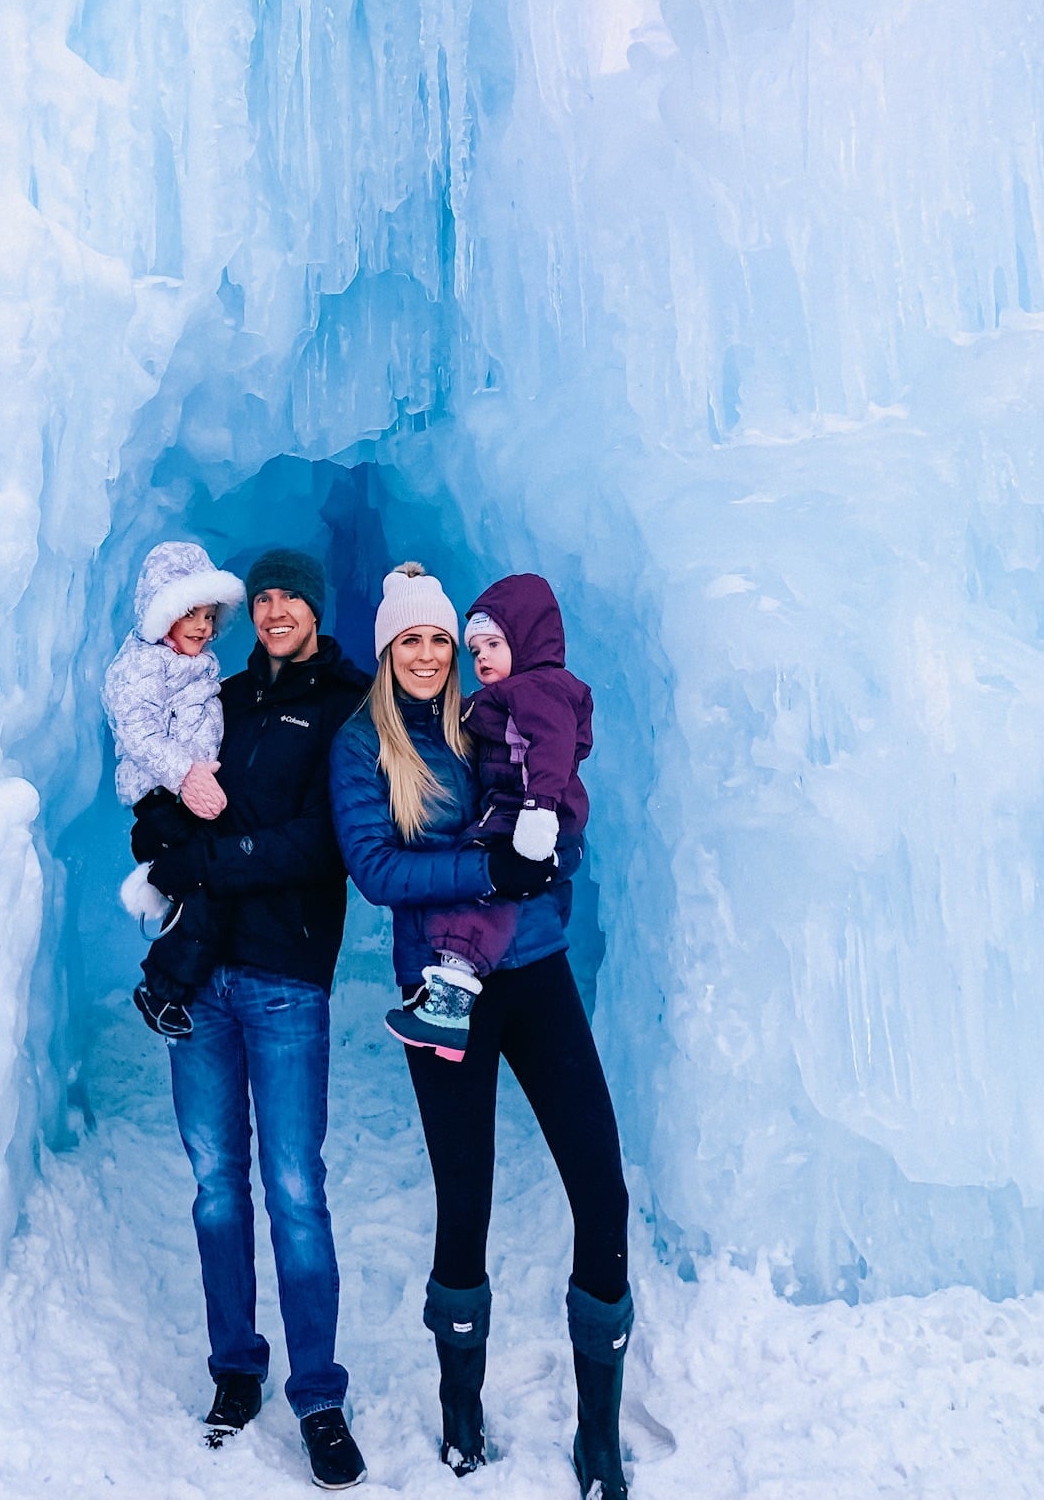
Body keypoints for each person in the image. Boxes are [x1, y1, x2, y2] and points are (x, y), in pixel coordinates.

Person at [329, 563, 633, 1498]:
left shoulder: (487, 715)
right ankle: (462, 1411)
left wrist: (550, 850)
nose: (427, 654)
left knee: (602, 1188)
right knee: (466, 1204)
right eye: (409, 641)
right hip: (445, 989)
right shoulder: (360, 745)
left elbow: (554, 807)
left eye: (439, 641)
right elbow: (376, 869)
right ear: (387, 651)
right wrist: (489, 871)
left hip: (535, 974)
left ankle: (597, 1437)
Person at [132, 545, 371, 1490]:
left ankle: (317, 1393)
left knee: (294, 1189)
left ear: (314, 608)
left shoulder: (346, 706)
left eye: (290, 598)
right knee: (215, 1185)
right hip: (205, 973)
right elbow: (169, 793)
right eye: (263, 596)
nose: (276, 610)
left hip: (284, 976)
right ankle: (236, 1368)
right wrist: (158, 835)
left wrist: (207, 860)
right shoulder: (217, 697)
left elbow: (324, 843)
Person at [384, 573, 594, 1060]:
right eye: (475, 650)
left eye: (494, 645)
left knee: (488, 881)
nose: (482, 659)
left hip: (529, 808)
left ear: (525, 641)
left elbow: (554, 748)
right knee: (509, 877)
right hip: (518, 807)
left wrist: (540, 810)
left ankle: (454, 993)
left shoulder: (540, 690)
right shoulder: (509, 695)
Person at [102, 540, 245, 1040]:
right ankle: (161, 987)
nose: (204, 626)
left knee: (213, 880)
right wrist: (185, 773)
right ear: (164, 615)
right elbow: (139, 731)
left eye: (209, 616)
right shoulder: (140, 665)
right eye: (191, 614)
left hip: (190, 792)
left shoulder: (198, 664)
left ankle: (159, 892)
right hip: (163, 796)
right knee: (209, 883)